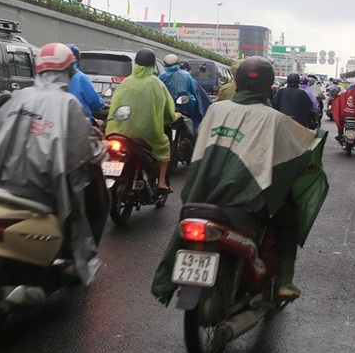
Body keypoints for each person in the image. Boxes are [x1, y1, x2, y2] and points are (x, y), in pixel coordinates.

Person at [151, 56, 328, 303]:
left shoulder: (215, 109)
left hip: (200, 193)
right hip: (246, 201)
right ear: (268, 85)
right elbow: (299, 149)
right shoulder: (273, 119)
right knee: (287, 220)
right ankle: (285, 282)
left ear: (237, 82)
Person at [0, 43, 107, 286]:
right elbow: (80, 152)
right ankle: (74, 259)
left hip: (3, 179)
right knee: (85, 208)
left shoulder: (19, 97)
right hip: (46, 185)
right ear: (68, 70)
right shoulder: (68, 103)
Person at [106, 48, 177, 192]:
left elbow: (114, 105)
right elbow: (168, 113)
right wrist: (174, 117)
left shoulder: (125, 83)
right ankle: (162, 182)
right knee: (164, 146)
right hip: (147, 134)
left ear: (136, 63)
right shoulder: (156, 84)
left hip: (119, 130)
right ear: (152, 65)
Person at [159, 54, 203, 128]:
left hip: (167, 107)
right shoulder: (186, 75)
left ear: (164, 63)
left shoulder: (162, 76)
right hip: (186, 107)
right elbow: (194, 90)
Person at [67, 44, 105, 123]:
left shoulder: (47, 78)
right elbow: (94, 102)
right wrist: (102, 104)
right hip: (80, 123)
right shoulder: (80, 77)